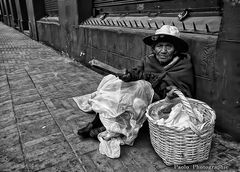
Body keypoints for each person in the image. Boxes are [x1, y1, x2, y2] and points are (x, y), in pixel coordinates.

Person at [77, 25, 194, 139]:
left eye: (168, 46)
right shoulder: (148, 60)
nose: (163, 51)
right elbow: (135, 72)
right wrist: (127, 76)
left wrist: (171, 92)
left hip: (160, 103)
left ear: (175, 50)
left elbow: (185, 93)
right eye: (160, 46)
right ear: (154, 48)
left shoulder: (183, 64)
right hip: (139, 96)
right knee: (116, 84)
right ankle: (96, 123)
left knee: (139, 88)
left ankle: (110, 128)